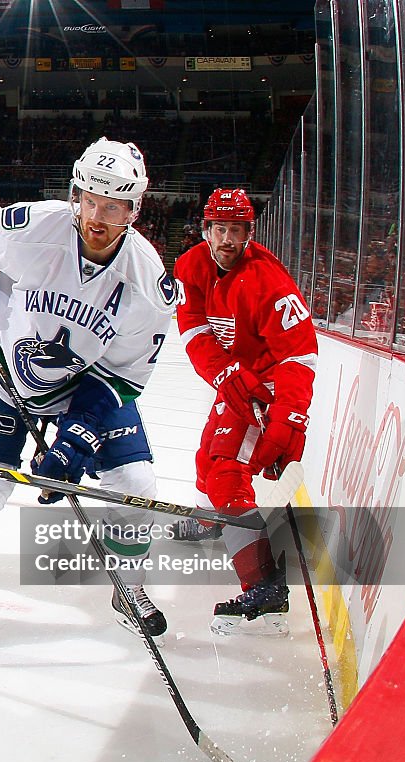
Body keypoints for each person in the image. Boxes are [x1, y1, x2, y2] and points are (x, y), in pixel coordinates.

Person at [0, 138, 177, 652]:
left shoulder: (147, 280)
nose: (97, 216)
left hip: (83, 388)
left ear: (134, 209)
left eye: (113, 206)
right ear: (75, 194)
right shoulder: (37, 226)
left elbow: (122, 378)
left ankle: (127, 590)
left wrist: (75, 441)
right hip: (6, 378)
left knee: (136, 483)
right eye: (89, 199)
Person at [172, 188, 317, 635]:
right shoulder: (191, 266)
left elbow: (300, 355)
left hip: (271, 385)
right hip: (238, 378)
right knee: (206, 455)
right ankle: (208, 521)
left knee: (225, 470)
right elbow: (195, 332)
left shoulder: (268, 281)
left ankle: (265, 585)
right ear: (206, 230)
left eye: (237, 230)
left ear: (249, 234)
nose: (228, 239)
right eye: (220, 229)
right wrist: (226, 377)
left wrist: (288, 415)